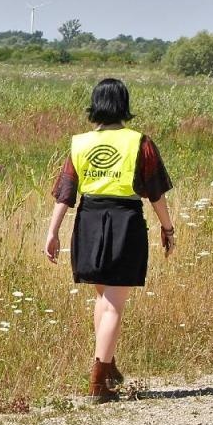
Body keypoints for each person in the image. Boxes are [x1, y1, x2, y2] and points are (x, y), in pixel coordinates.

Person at [43, 79, 175, 402]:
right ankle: (99, 382)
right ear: (123, 105)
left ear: (95, 104)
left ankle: (109, 364)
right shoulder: (139, 142)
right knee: (115, 303)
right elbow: (155, 191)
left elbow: (65, 192)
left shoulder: (80, 143)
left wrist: (52, 231)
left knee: (103, 299)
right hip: (124, 220)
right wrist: (167, 228)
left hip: (88, 221)